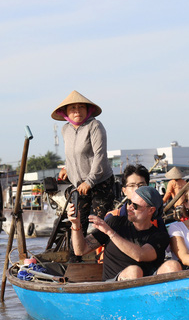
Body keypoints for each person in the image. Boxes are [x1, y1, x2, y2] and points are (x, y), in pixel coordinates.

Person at [68, 185, 182, 281]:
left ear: (151, 210)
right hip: (114, 286)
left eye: (135, 206)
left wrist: (110, 233)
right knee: (134, 272)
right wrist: (75, 224)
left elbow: (140, 255)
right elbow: (80, 250)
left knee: (173, 266)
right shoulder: (114, 223)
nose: (130, 207)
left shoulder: (159, 236)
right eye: (129, 202)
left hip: (148, 288)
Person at [53, 90, 114, 232]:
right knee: (77, 224)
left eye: (81, 107)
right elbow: (71, 154)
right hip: (80, 185)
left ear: (87, 110)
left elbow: (100, 156)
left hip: (100, 182)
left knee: (101, 224)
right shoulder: (65, 129)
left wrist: (90, 181)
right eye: (73, 108)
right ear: (66, 112)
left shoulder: (95, 126)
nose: (77, 111)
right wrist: (66, 168)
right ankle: (76, 254)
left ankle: (106, 253)